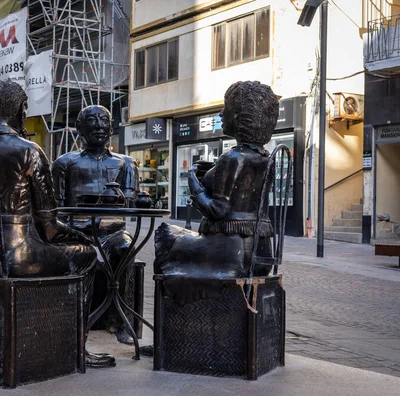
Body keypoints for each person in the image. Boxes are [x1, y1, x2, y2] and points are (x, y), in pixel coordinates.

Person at [0, 79, 111, 367]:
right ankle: (74, 345)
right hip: (14, 255)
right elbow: (49, 227)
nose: (25, 116)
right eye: (24, 109)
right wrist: (81, 237)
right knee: (86, 255)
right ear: (17, 111)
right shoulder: (29, 150)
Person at [153, 81, 279, 304]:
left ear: (238, 117)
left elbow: (217, 210)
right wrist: (211, 173)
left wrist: (193, 182)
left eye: (226, 108)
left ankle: (182, 322)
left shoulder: (232, 157)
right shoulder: (266, 158)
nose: (221, 113)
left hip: (229, 249)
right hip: (261, 251)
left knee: (166, 237)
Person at [52, 105, 139, 345]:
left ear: (112, 127)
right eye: (92, 121)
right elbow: (56, 208)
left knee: (126, 249)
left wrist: (118, 199)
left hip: (113, 233)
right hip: (75, 232)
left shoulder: (126, 163)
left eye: (104, 121)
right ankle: (70, 319)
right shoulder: (65, 163)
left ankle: (123, 319)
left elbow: (132, 203)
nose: (99, 126)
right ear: (80, 128)